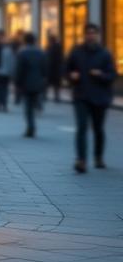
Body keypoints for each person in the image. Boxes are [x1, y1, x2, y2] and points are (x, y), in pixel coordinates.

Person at [64, 23, 116, 173]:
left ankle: (98, 157)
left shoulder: (105, 54)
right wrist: (71, 76)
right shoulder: (76, 52)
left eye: (93, 33)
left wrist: (101, 74)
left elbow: (112, 75)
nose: (91, 36)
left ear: (98, 35)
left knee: (98, 129)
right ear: (84, 35)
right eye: (88, 33)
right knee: (81, 128)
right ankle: (81, 160)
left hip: (100, 97)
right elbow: (66, 70)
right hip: (81, 96)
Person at [14, 32, 48, 138]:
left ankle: (31, 127)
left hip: (26, 83)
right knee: (33, 103)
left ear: (25, 41)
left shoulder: (22, 53)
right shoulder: (41, 53)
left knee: (28, 107)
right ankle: (32, 124)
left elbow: (19, 70)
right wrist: (43, 80)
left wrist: (17, 83)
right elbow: (45, 69)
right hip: (38, 82)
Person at [0, 30, 14, 112]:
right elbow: (11, 62)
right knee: (4, 89)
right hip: (5, 72)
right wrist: (11, 72)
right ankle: (4, 105)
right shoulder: (8, 49)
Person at [45, 32, 63, 102]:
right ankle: (56, 97)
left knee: (49, 84)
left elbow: (48, 58)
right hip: (55, 69)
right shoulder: (56, 47)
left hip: (52, 69)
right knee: (55, 85)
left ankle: (46, 96)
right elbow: (60, 58)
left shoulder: (50, 47)